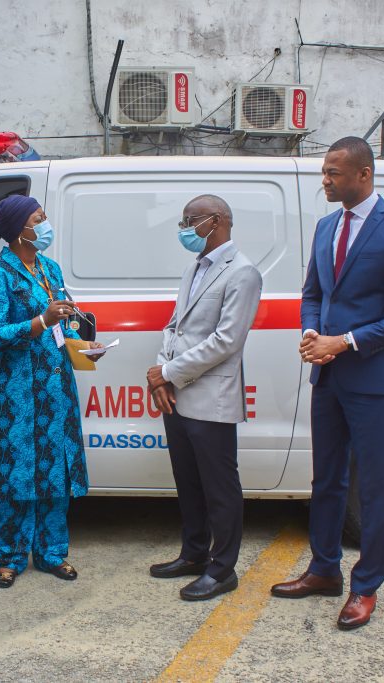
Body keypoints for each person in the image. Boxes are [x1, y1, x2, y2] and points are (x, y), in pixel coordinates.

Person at [270, 137, 384, 630]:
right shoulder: (324, 227)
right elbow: (313, 292)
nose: (325, 180)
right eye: (324, 171)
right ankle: (324, 570)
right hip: (329, 375)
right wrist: (313, 331)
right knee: (327, 477)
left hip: (372, 377)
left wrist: (345, 342)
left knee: (375, 484)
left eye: (333, 172)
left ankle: (366, 587)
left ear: (363, 174)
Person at [0, 194, 104, 588]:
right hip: (17, 393)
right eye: (38, 219)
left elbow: (64, 325)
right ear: (18, 229)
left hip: (56, 388)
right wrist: (39, 321)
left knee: (55, 471)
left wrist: (83, 344)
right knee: (18, 475)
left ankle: (52, 552)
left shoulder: (50, 269)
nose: (45, 225)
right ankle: (9, 556)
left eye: (44, 217)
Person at [146, 195, 263, 601]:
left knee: (219, 487)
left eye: (189, 220)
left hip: (210, 398)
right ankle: (194, 553)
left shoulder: (243, 273)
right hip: (178, 395)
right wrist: (162, 372)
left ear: (216, 221)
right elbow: (175, 327)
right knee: (189, 482)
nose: (184, 228)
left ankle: (222, 568)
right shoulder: (195, 267)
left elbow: (227, 341)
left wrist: (169, 372)